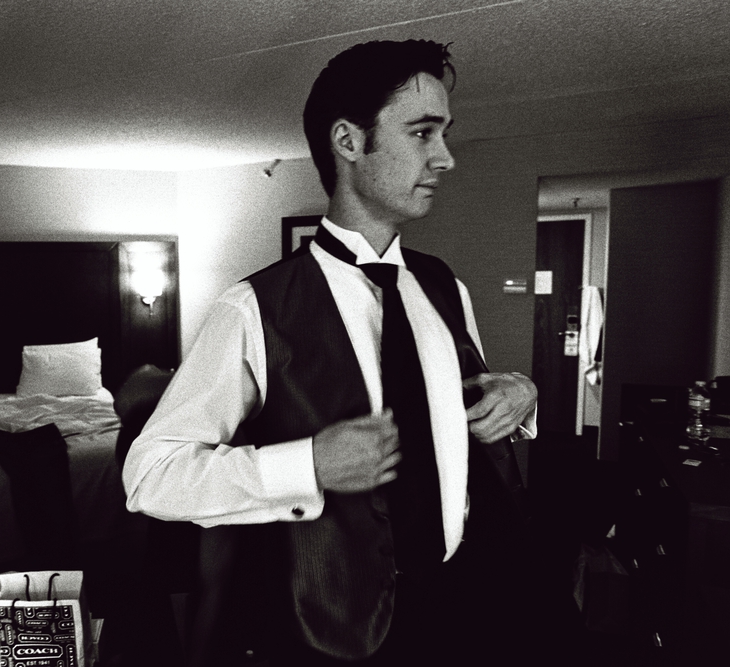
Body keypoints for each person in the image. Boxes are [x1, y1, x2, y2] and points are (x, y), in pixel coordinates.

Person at [123, 40, 539, 666]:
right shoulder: (253, 308)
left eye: (444, 134)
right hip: (328, 632)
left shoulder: (444, 287)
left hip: (466, 604)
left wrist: (517, 395)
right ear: (348, 141)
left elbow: (462, 408)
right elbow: (151, 476)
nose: (445, 157)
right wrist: (308, 465)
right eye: (422, 133)